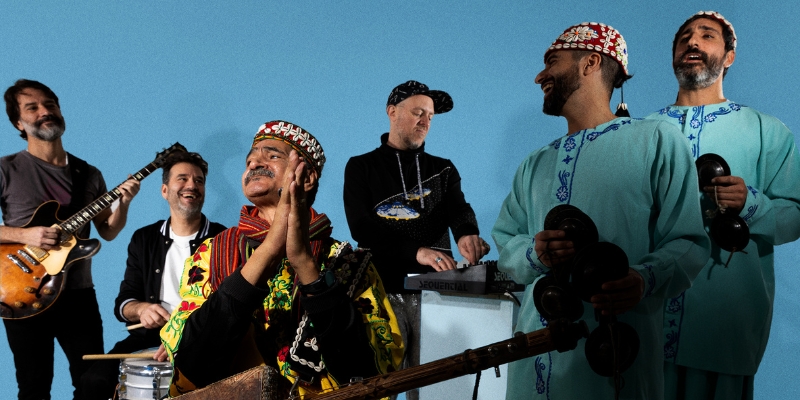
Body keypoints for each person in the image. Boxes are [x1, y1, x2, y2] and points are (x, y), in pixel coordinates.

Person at [491, 23, 711, 399]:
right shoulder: (535, 163)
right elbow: (507, 245)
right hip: (531, 367)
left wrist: (643, 280)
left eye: (552, 62)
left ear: (590, 62)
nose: (539, 75)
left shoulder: (656, 140)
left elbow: (689, 241)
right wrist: (535, 251)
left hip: (611, 366)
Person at [160, 120, 403, 397]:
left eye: (272, 155)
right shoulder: (211, 253)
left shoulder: (350, 264)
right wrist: (268, 251)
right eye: (250, 160)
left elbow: (367, 374)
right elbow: (191, 365)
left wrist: (304, 263)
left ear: (307, 178)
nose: (253, 164)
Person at [645, 11, 800, 399]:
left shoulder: (766, 131)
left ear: (728, 57)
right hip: (645, 316)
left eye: (707, 36)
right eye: (684, 38)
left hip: (724, 321)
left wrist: (751, 205)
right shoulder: (642, 133)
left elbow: (796, 214)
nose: (692, 42)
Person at [343, 80, 488, 398]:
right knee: (378, 386)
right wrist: (416, 251)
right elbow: (362, 228)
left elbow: (459, 209)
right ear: (392, 112)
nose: (425, 121)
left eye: (431, 116)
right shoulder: (360, 167)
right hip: (380, 293)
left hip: (435, 295)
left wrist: (468, 235)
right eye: (418, 112)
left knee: (436, 387)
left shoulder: (444, 169)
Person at [0, 79, 140, 399]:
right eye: (32, 107)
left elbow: (107, 231)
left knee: (94, 383)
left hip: (78, 295)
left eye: (50, 104)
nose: (44, 111)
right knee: (34, 387)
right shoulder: (6, 169)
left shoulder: (88, 174)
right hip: (22, 292)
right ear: (17, 123)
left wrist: (125, 202)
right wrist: (25, 234)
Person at [79, 151, 226, 399]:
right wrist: (142, 310)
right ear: (165, 191)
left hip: (201, 339)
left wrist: (184, 334)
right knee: (93, 380)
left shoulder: (224, 240)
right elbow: (123, 304)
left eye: (199, 180)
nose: (192, 185)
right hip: (148, 337)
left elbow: (228, 305)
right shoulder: (144, 238)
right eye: (182, 178)